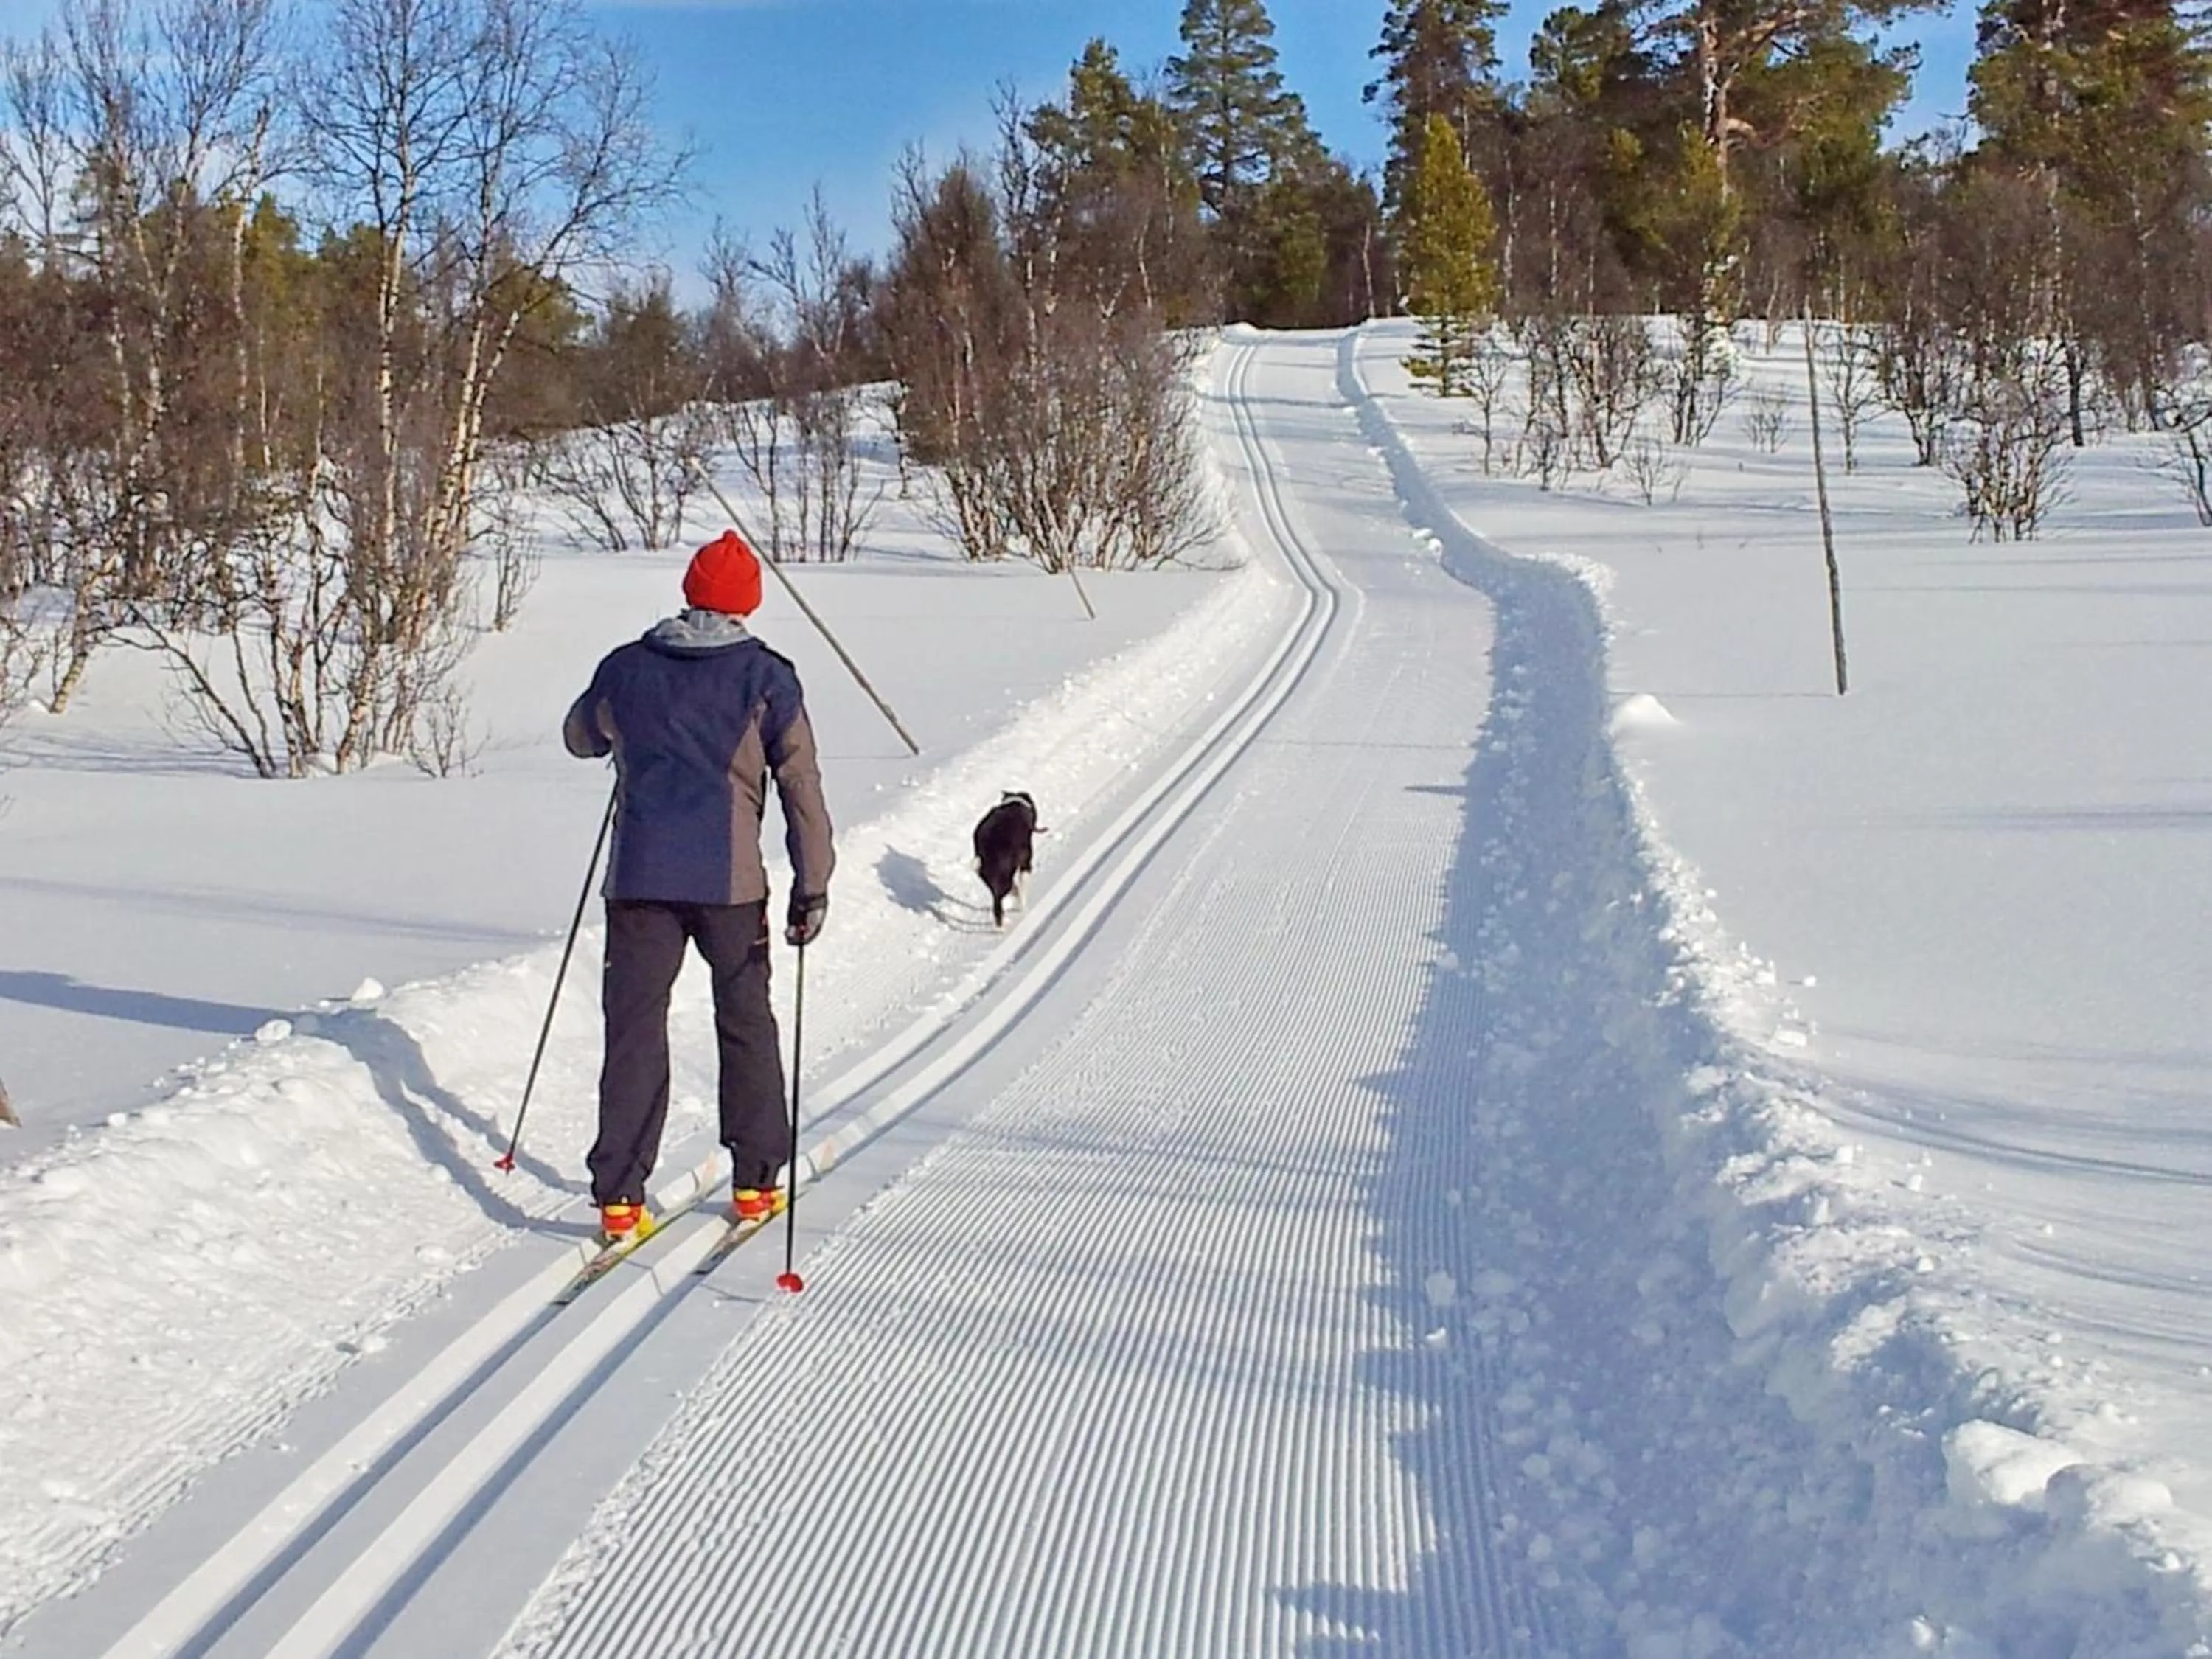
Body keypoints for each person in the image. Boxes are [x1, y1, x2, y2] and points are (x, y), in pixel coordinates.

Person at [563, 528, 835, 1245]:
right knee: (745, 1022)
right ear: (747, 603)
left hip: (640, 882)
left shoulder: (626, 667)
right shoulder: (766, 677)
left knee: (635, 1029)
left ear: (689, 593)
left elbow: (580, 737)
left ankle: (619, 1198)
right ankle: (754, 1184)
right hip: (730, 884)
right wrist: (814, 882)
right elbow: (799, 783)